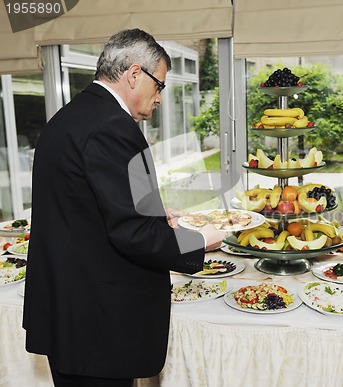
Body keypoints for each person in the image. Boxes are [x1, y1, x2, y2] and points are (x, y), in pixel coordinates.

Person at [22, 28, 226, 386]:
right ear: (135, 74)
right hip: (98, 324)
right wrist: (200, 239)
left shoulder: (68, 117)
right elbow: (132, 232)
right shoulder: (114, 127)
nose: (160, 97)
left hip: (69, 312)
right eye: (159, 85)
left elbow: (84, 208)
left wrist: (153, 215)